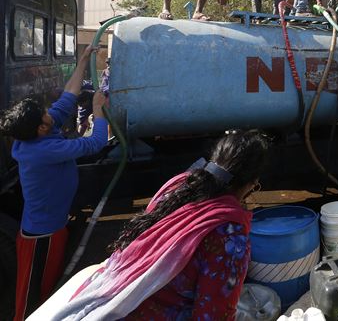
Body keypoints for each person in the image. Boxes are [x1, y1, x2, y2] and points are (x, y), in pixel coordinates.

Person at [51, 130, 270, 320]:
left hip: (112, 295)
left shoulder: (178, 185)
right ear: (251, 184)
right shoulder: (229, 236)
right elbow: (213, 316)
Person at [0, 46, 108, 320]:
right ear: (41, 128)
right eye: (45, 114)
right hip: (41, 237)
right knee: (33, 301)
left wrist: (83, 61)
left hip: (52, 227)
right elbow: (95, 143)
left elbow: (68, 96)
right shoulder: (42, 151)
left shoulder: (42, 132)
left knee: (49, 291)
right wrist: (99, 111)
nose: (50, 111)